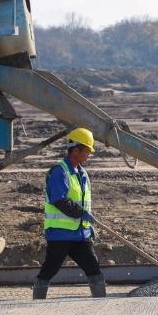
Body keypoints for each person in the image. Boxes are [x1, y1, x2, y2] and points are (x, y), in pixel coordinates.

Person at [32, 127, 105, 300]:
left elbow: (82, 201)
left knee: (94, 269)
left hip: (80, 234)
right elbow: (59, 200)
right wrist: (82, 214)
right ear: (76, 150)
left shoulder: (82, 173)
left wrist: (88, 226)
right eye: (87, 151)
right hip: (60, 234)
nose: (88, 155)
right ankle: (36, 302)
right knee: (49, 269)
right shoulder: (60, 171)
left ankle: (101, 303)